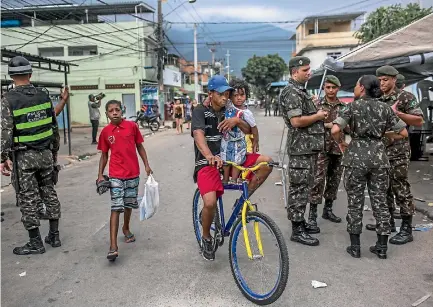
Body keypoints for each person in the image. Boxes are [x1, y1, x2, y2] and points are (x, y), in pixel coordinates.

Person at [192, 75, 273, 261]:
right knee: (210, 203)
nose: (225, 96)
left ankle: (242, 201)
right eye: (221, 93)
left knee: (267, 163)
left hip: (235, 156)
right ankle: (206, 236)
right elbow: (198, 135)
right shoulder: (200, 110)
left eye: (227, 93)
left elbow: (248, 130)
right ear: (210, 93)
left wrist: (237, 121)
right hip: (209, 162)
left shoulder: (232, 109)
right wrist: (209, 156)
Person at [331, 75, 408, 259]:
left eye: (357, 85)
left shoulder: (352, 107)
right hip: (379, 159)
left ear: (363, 88)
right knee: (380, 201)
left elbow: (335, 129)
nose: (355, 88)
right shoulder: (385, 108)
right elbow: (403, 133)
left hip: (355, 159)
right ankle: (382, 247)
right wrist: (382, 137)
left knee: (355, 202)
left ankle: (355, 247)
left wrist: (341, 143)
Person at [0, 56, 62, 255]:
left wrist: (3, 158)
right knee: (49, 191)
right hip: (45, 153)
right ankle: (54, 235)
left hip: (24, 157)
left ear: (10, 75)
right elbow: (54, 127)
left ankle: (35, 242)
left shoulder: (8, 99)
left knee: (27, 197)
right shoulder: (43, 95)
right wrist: (54, 154)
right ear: (30, 73)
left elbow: (5, 132)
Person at [364, 66, 424, 245]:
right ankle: (387, 222)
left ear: (394, 80)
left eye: (385, 80)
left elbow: (419, 121)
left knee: (400, 188)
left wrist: (398, 113)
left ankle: (406, 228)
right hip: (380, 150)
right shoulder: (377, 97)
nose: (382, 83)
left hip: (398, 150)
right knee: (383, 188)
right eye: (380, 79)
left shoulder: (405, 97)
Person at [97, 100, 152, 261]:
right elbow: (104, 155)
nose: (114, 112)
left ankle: (126, 227)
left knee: (128, 205)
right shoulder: (106, 132)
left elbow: (140, 147)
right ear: (107, 114)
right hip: (115, 175)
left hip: (133, 174)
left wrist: (147, 165)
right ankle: (113, 246)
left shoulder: (132, 127)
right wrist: (100, 174)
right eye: (111, 110)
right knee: (116, 208)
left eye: (117, 110)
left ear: (122, 111)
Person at [279, 56, 326, 247]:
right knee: (298, 187)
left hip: (307, 147)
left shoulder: (300, 91)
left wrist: (313, 106)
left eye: (309, 69)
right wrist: (318, 115)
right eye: (305, 70)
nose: (309, 72)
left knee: (305, 186)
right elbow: (296, 121)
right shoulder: (291, 92)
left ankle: (301, 221)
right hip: (300, 148)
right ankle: (297, 229)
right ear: (294, 71)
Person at [307, 75, 346, 231]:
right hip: (320, 148)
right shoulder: (315, 105)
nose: (330, 90)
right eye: (328, 87)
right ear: (324, 88)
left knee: (334, 180)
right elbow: (310, 124)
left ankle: (328, 210)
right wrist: (330, 125)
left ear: (338, 88)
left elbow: (348, 126)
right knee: (317, 180)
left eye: (333, 87)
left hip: (337, 148)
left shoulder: (343, 107)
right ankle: (312, 215)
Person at [221, 79, 260, 183]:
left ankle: (234, 179)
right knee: (225, 159)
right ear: (230, 96)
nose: (239, 98)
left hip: (239, 142)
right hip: (226, 140)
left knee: (237, 161)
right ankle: (225, 179)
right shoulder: (228, 105)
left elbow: (254, 127)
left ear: (246, 95)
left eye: (242, 95)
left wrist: (255, 141)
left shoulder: (247, 113)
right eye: (235, 95)